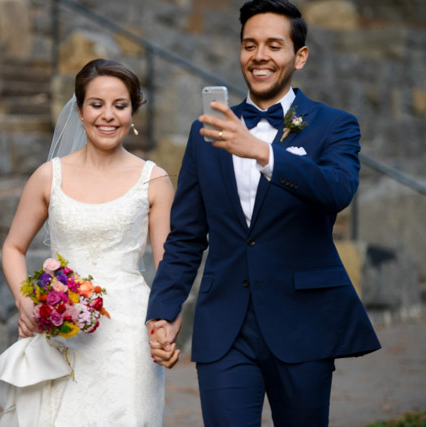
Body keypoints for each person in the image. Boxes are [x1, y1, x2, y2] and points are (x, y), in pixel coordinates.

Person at [146, 1, 381, 426]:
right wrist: (163, 309)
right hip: (224, 326)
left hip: (303, 322)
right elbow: (186, 235)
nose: (260, 56)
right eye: (250, 45)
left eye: (275, 45)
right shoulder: (207, 133)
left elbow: (337, 190)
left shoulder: (335, 125)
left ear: (299, 56)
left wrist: (264, 152)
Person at [0, 58, 174, 426]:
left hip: (129, 334)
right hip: (62, 330)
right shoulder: (48, 177)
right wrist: (25, 300)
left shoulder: (154, 180)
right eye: (96, 105)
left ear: (132, 112)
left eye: (119, 106)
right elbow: (13, 247)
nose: (107, 116)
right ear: (79, 111)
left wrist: (168, 323)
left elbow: (168, 264)